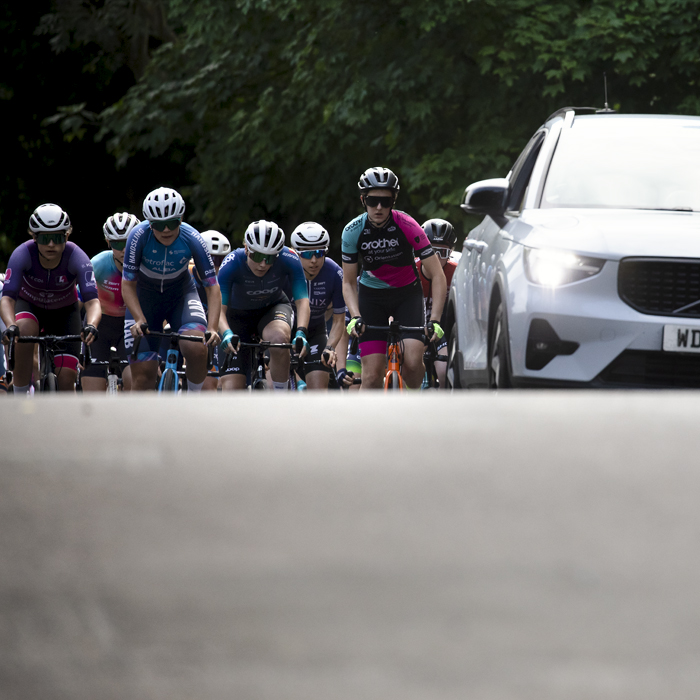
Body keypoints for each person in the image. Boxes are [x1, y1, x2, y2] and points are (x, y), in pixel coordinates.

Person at [341, 167, 447, 389]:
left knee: (412, 364)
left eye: (385, 201)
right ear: (363, 200)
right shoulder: (352, 231)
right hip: (371, 299)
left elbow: (437, 274)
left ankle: (412, 406)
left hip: (407, 295)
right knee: (370, 376)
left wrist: (435, 320)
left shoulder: (407, 225)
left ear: (394, 201)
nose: (379, 207)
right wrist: (355, 316)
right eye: (372, 201)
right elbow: (349, 282)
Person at [122, 187, 221, 392]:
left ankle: (193, 399)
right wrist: (140, 319)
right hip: (145, 299)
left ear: (181, 219)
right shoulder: (138, 236)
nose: (166, 230)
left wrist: (212, 327)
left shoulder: (192, 237)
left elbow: (212, 286)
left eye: (172, 223)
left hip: (181, 294)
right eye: (159, 224)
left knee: (196, 347)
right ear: (149, 223)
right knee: (142, 379)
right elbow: (128, 284)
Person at [0, 203, 101, 393]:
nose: (51, 244)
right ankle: (20, 395)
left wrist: (92, 324)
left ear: (67, 236)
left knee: (65, 381)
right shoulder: (22, 254)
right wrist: (10, 324)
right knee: (24, 328)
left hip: (65, 312)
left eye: (57, 238)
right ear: (34, 237)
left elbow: (92, 301)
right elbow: (7, 298)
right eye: (45, 239)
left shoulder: (77, 257)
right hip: (29, 305)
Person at [217, 220, 310, 391]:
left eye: (270, 258)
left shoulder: (289, 258)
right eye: (258, 256)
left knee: (279, 339)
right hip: (237, 317)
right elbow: (218, 310)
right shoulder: (231, 263)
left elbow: (302, 300)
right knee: (232, 390)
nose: (263, 264)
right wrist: (227, 333)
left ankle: (281, 397)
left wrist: (301, 331)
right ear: (246, 249)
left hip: (272, 309)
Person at [81, 212, 139, 392]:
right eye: (117, 244)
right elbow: (78, 302)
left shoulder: (147, 265)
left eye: (129, 243)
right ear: (108, 243)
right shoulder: (97, 264)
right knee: (92, 395)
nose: (124, 250)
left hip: (130, 326)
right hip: (100, 326)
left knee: (133, 383)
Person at [288, 222, 349, 390]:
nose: (314, 260)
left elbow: (339, 321)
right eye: (307, 254)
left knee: (318, 391)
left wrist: (330, 347)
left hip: (315, 332)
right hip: (285, 331)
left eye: (319, 253)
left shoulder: (334, 273)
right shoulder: (286, 269)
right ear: (296, 253)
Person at [416, 218, 459, 389]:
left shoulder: (456, 271)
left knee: (443, 370)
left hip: (443, 329)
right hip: (415, 325)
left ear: (451, 252)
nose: (436, 259)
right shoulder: (411, 270)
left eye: (443, 253)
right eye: (431, 251)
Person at [190, 230, 231, 390]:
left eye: (220, 260)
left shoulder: (226, 282)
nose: (214, 266)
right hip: (182, 328)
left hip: (209, 336)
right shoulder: (185, 273)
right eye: (209, 259)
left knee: (209, 385)